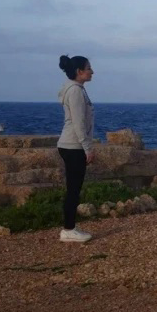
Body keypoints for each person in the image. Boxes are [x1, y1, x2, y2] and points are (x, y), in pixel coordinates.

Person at [57, 54, 96, 242]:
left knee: (74, 188)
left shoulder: (75, 89)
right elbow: (79, 123)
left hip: (71, 145)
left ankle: (70, 226)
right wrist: (88, 148)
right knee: (73, 189)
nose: (92, 72)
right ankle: (68, 230)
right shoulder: (75, 92)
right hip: (73, 146)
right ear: (79, 71)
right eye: (88, 68)